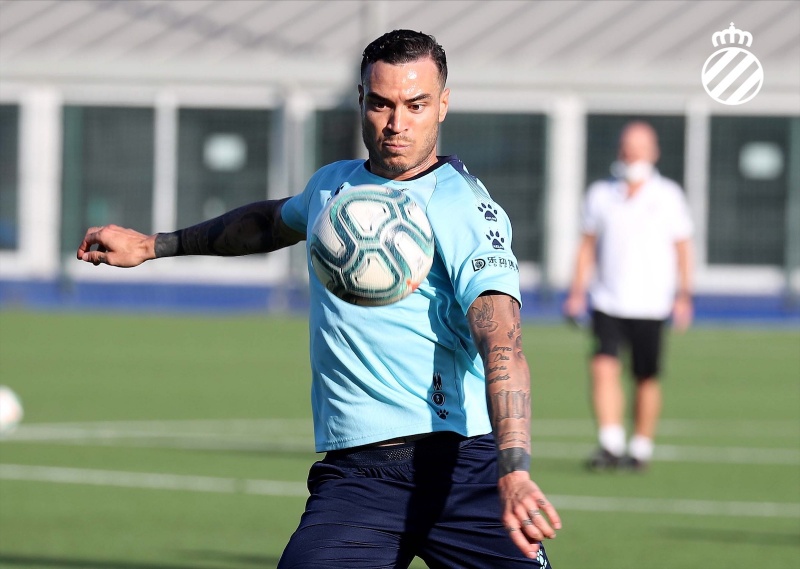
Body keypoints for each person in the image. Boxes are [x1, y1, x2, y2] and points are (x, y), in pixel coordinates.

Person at [77, 30, 560, 568]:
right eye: (381, 103)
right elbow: (268, 222)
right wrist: (154, 245)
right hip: (359, 478)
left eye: (415, 105)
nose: (396, 123)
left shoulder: (461, 207)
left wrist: (513, 468)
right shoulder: (333, 187)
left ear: (443, 104)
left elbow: (503, 343)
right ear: (360, 100)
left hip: (461, 468)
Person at [563, 121, 694, 472]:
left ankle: (640, 447)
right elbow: (587, 246)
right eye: (627, 146)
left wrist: (684, 295)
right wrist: (577, 292)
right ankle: (610, 443)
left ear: (654, 152)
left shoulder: (669, 196)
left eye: (640, 147)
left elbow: (683, 248)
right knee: (602, 366)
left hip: (651, 303)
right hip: (608, 299)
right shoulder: (601, 194)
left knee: (645, 376)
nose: (632, 154)